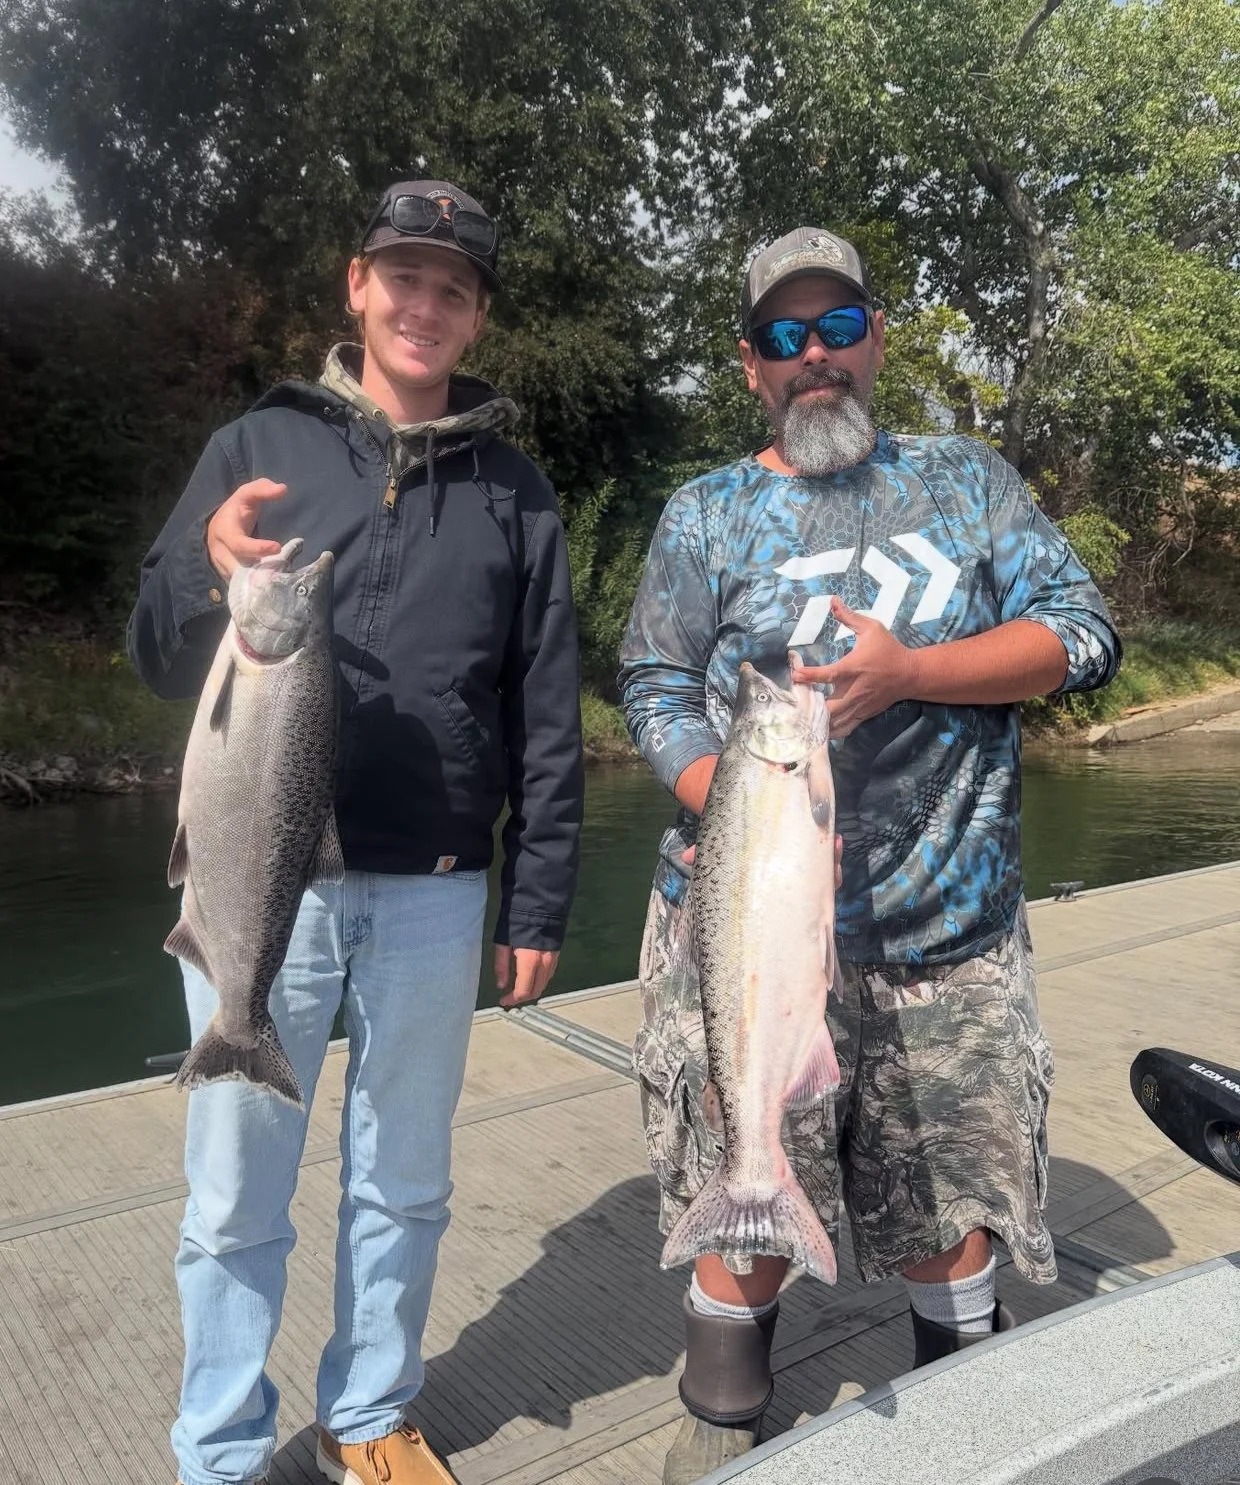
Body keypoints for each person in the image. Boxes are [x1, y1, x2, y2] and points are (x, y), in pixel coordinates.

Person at [618, 226, 1121, 1483]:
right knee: (740, 1195)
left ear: (877, 339)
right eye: (786, 338)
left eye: (839, 328)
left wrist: (913, 674)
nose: (817, 358)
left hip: (944, 942)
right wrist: (740, 804)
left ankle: (962, 1430)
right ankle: (722, 1425)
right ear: (752, 368)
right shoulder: (706, 514)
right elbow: (653, 681)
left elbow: (1083, 633)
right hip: (742, 928)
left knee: (947, 1211)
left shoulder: (966, 480)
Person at [128, 179, 584, 1485]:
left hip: (438, 886)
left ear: (479, 313)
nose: (425, 305)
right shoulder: (257, 444)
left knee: (407, 1180)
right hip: (252, 878)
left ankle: (370, 1414)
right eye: (406, 276)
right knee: (231, 1197)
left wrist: (539, 900)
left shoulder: (519, 494)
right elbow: (160, 654)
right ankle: (217, 1449)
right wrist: (201, 568)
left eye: (454, 287)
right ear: (356, 284)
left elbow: (546, 709)